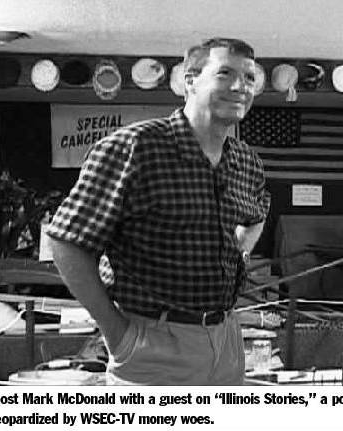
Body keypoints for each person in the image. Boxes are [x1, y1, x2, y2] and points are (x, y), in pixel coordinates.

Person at [46, 38, 270, 385]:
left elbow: (257, 214)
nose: (241, 86)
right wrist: (117, 334)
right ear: (189, 81)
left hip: (226, 340)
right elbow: (66, 242)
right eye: (225, 73)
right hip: (151, 341)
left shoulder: (246, 160)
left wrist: (238, 252)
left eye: (249, 78)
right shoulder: (134, 147)